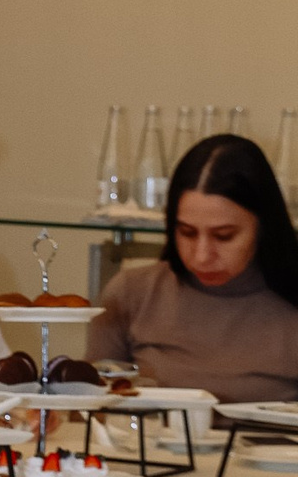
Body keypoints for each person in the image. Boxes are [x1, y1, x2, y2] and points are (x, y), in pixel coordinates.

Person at [88, 133, 298, 402]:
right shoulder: (133, 293)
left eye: (223, 236)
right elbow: (91, 407)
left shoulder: (287, 307)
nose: (201, 257)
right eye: (187, 233)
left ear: (263, 227)